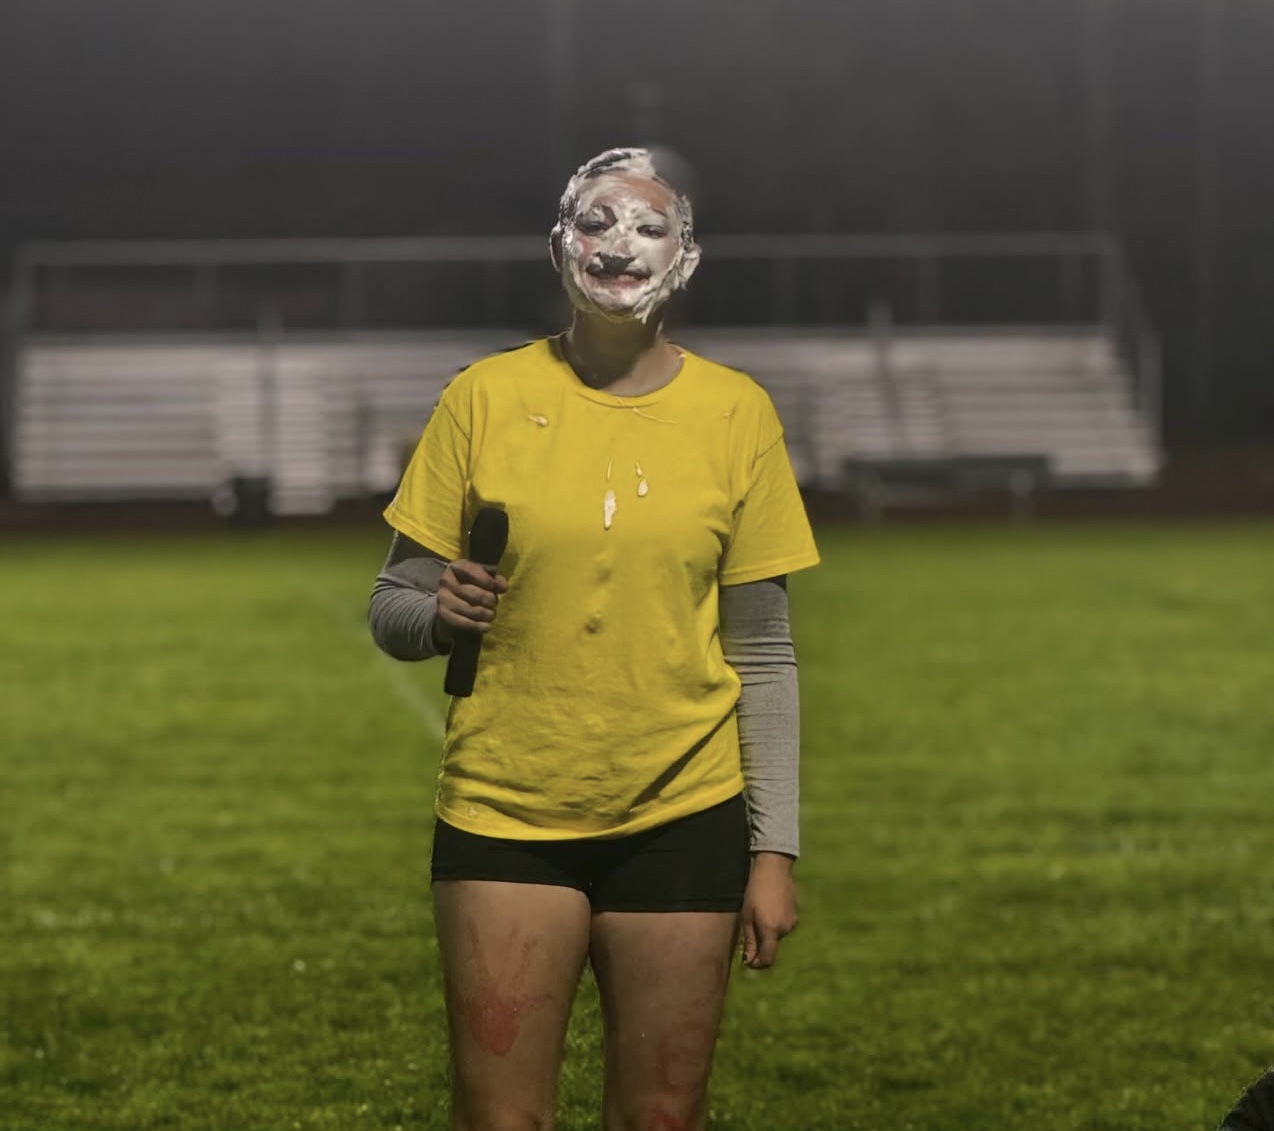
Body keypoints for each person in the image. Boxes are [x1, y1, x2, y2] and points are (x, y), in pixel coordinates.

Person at [368, 147, 820, 1131]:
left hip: (683, 811)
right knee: (500, 1122)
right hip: (505, 813)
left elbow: (765, 652)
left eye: (648, 227)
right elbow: (391, 607)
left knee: (660, 1118)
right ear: (558, 246)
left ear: (685, 259)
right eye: (596, 222)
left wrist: (772, 851)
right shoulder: (480, 399)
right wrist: (437, 614)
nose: (620, 245)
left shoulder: (736, 413)